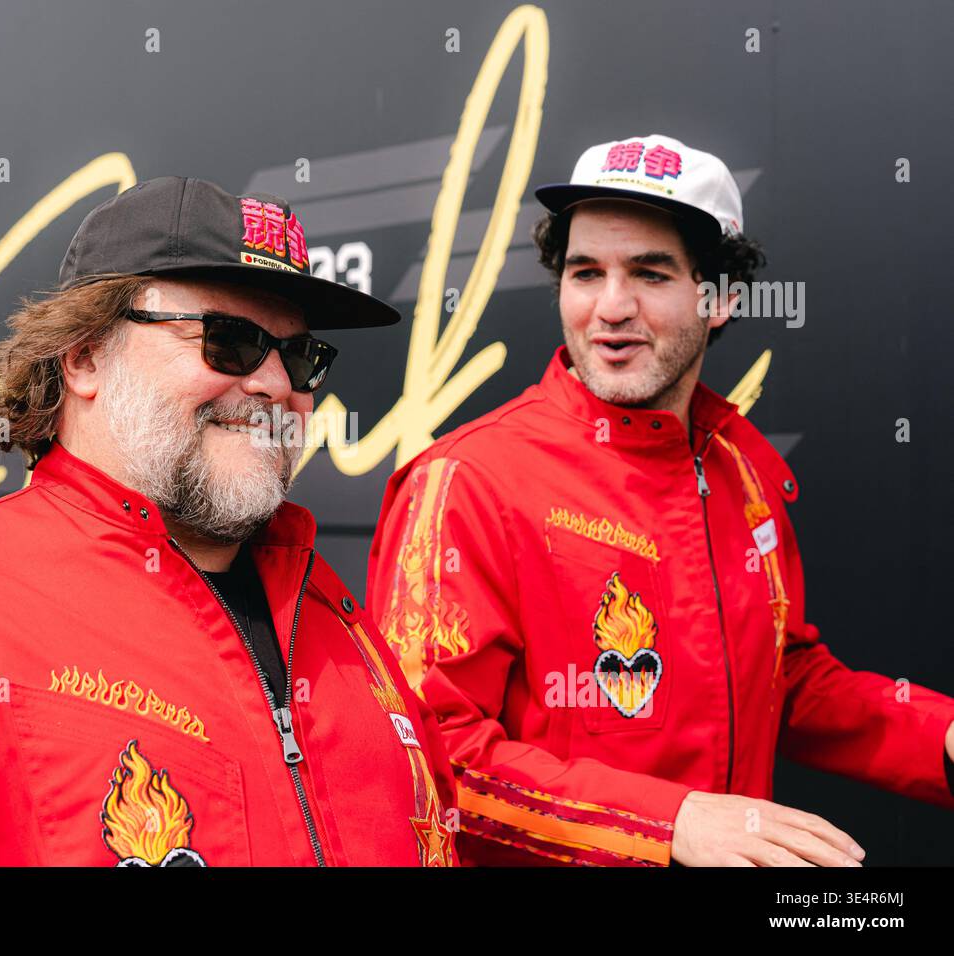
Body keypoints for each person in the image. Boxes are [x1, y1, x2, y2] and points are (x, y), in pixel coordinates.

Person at [0, 176, 455, 867]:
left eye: (300, 356)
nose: (273, 384)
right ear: (86, 356)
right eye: (229, 339)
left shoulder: (346, 627)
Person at [367, 135, 954, 867]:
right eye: (586, 272)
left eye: (649, 272)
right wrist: (664, 824)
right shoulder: (465, 481)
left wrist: (942, 738)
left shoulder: (740, 468)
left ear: (720, 299)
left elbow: (782, 678)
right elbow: (425, 755)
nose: (612, 307)